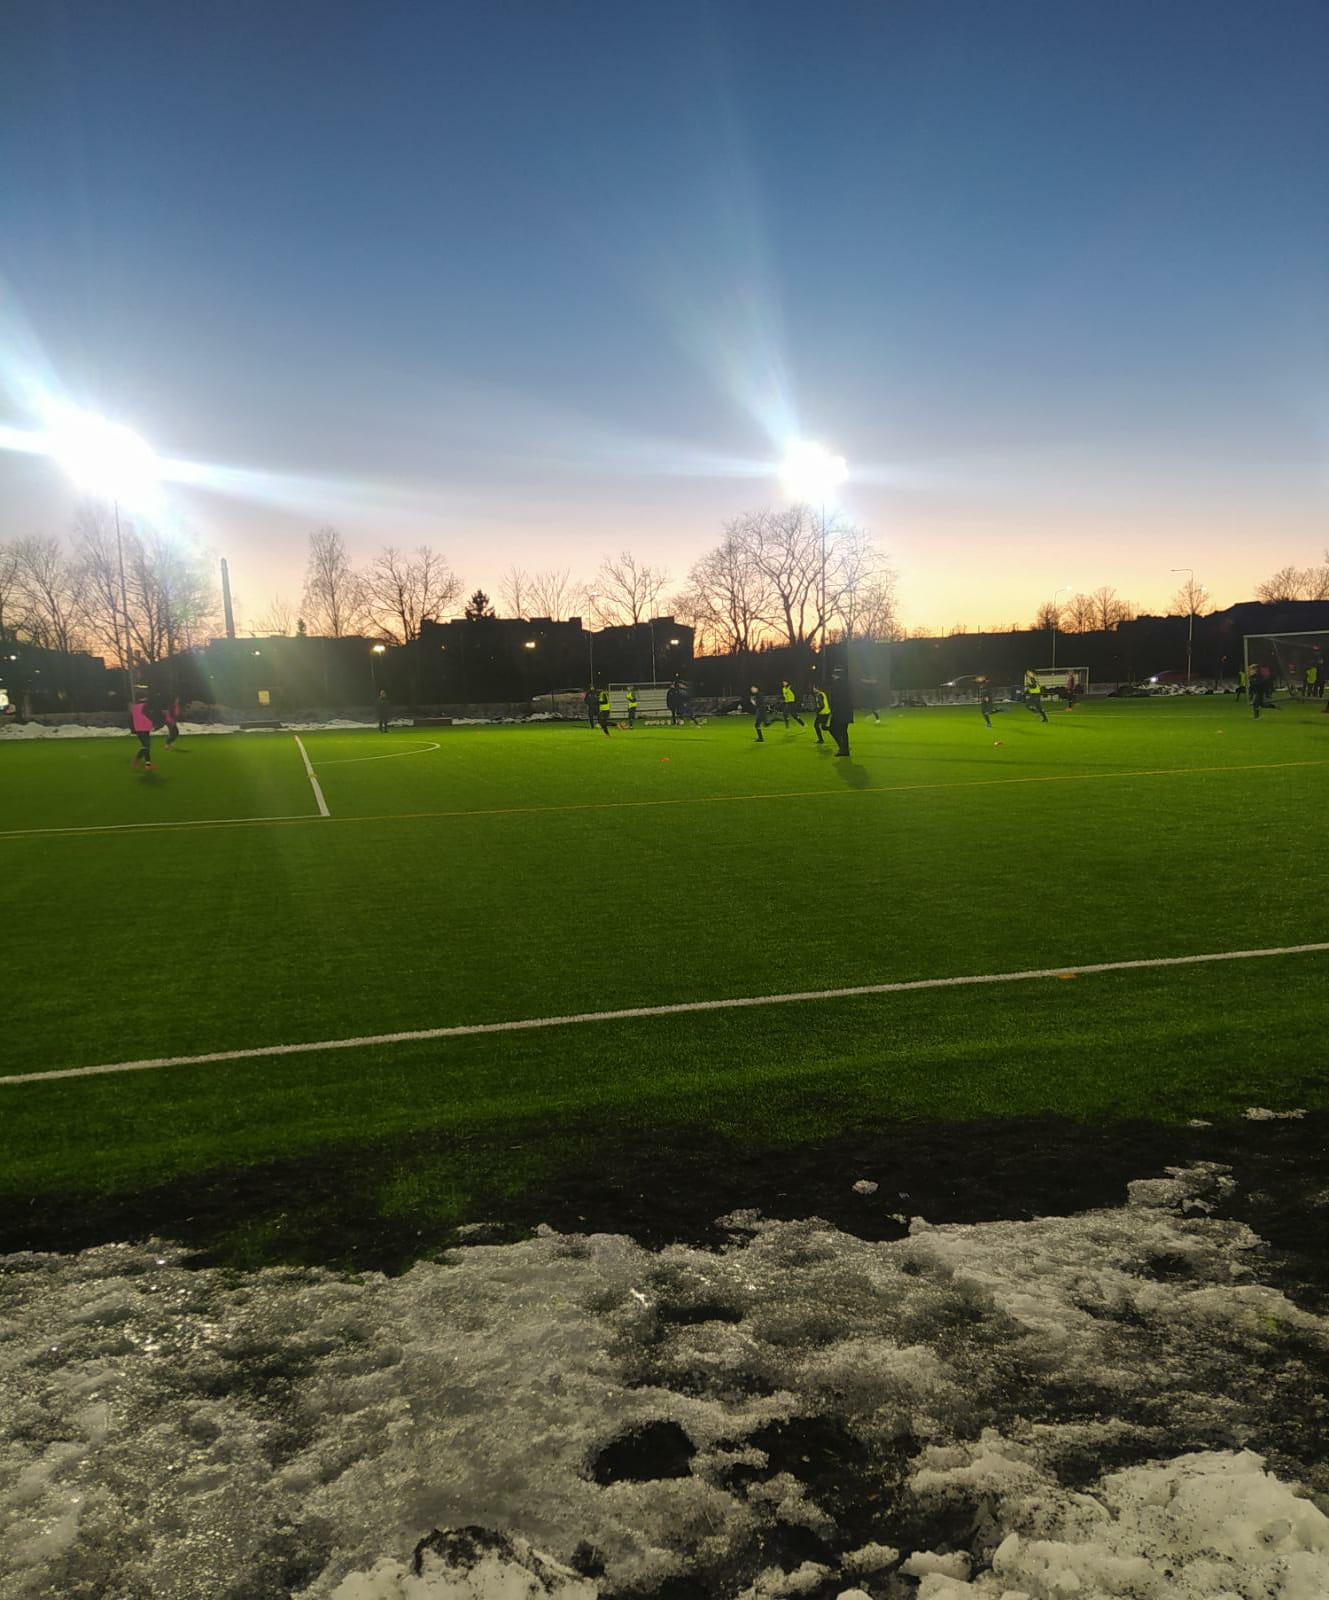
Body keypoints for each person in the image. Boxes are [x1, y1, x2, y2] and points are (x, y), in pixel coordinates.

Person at [827, 666, 854, 757]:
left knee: (832, 729)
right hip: (846, 711)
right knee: (843, 731)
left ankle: (843, 748)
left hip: (839, 711)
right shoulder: (846, 684)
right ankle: (844, 748)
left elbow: (836, 699)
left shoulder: (838, 685)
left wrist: (833, 710)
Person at [129, 695, 155, 770]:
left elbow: (131, 719)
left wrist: (133, 729)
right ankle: (136, 760)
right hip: (144, 728)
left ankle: (148, 765)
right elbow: (150, 715)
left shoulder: (134, 707)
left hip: (139, 729)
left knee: (146, 746)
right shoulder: (145, 706)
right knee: (146, 746)